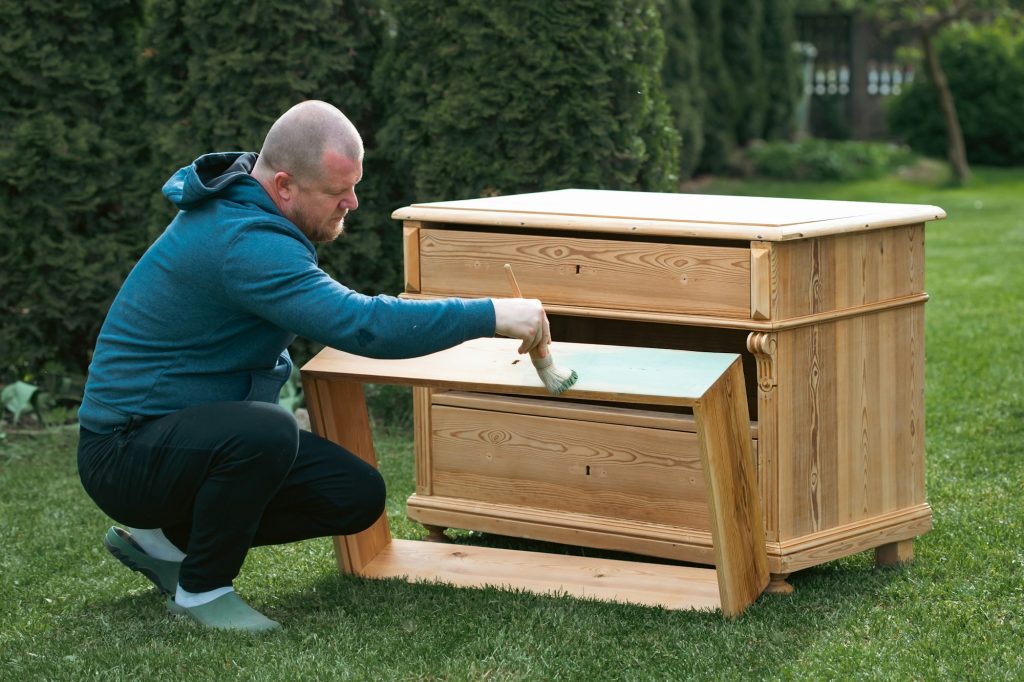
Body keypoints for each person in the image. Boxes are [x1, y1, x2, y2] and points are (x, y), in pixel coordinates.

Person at [76, 100, 549, 633]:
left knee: (355, 495)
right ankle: (202, 592)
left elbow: (343, 318)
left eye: (353, 185)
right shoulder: (244, 242)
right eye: (337, 192)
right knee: (267, 431)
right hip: (124, 452)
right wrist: (491, 313)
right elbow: (363, 325)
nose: (353, 202)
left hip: (184, 432)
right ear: (283, 185)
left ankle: (168, 545)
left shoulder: (252, 217)